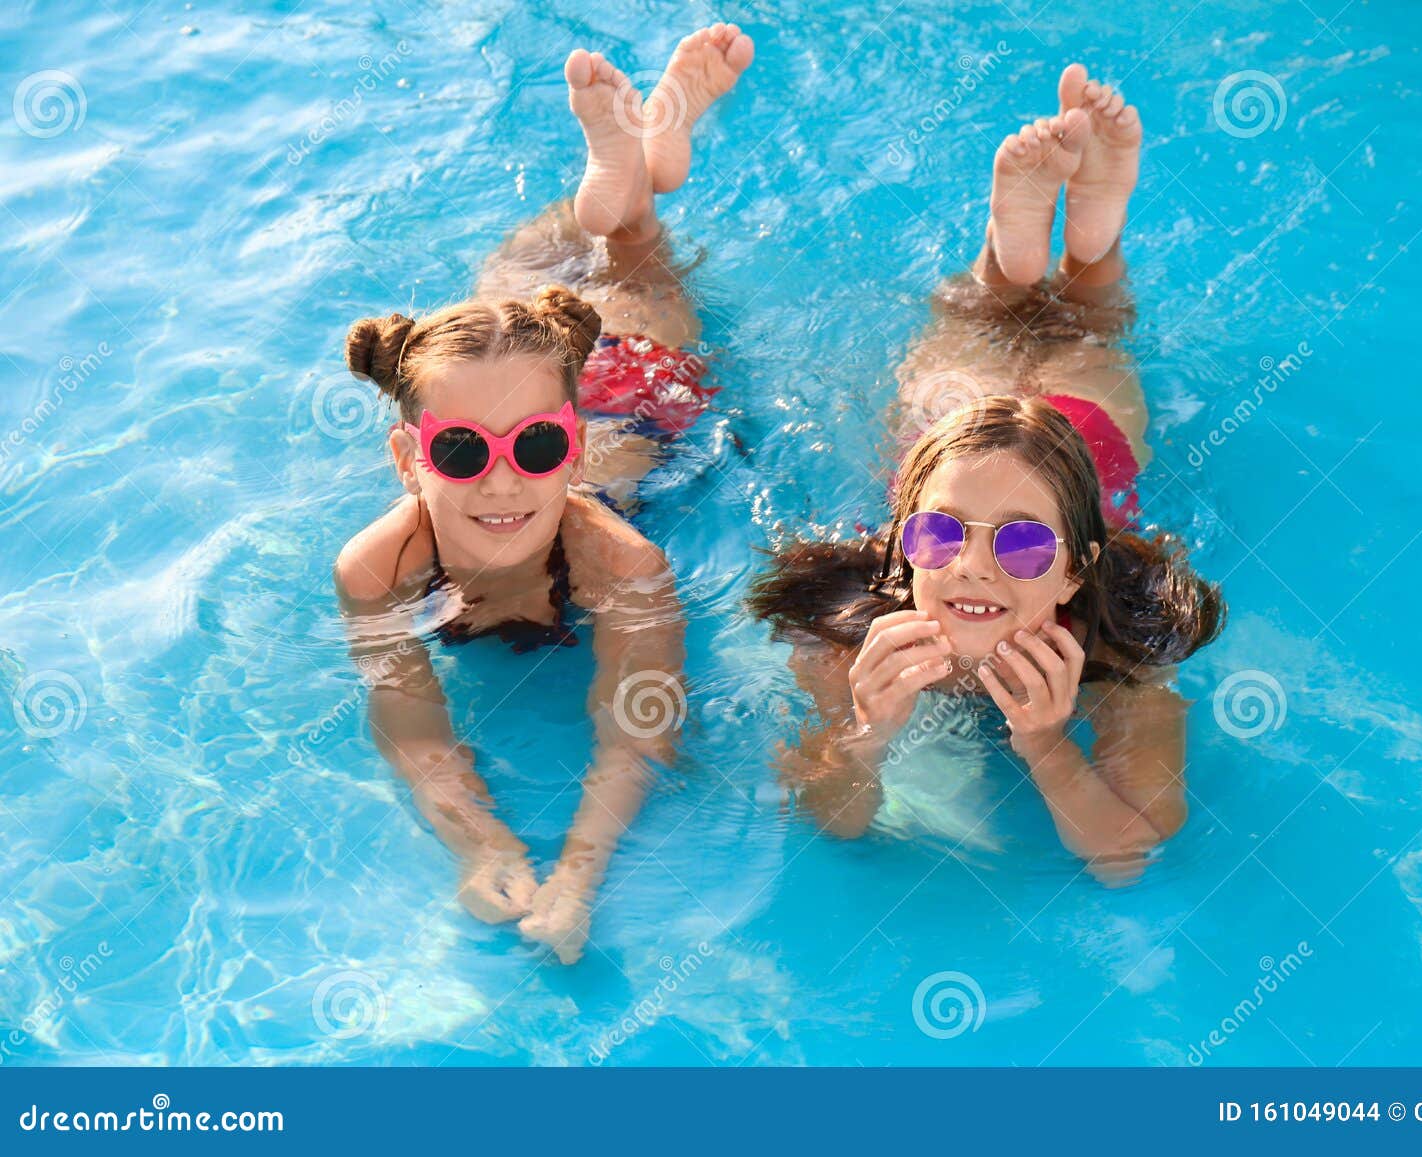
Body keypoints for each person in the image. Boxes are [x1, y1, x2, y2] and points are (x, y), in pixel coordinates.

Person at [334, 24, 754, 961]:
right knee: (541, 282)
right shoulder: (373, 568)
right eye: (456, 452)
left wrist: (577, 874)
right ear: (408, 459)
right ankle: (637, 160)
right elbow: (412, 733)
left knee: (632, 253)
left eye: (533, 449)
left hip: (635, 399)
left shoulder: (624, 560)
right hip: (515, 363)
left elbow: (641, 727)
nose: (500, 477)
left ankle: (641, 166)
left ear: (565, 449)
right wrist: (477, 846)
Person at [749, 65, 1224, 885]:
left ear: (1078, 568)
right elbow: (836, 819)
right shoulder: (849, 633)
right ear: (903, 544)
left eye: (1025, 547)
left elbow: (1126, 854)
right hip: (958, 449)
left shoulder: (1118, 641)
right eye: (939, 536)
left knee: (1073, 336)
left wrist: (1044, 744)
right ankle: (1028, 243)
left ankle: (1082, 239)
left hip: (1086, 449)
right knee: (1052, 336)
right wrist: (863, 730)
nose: (972, 563)